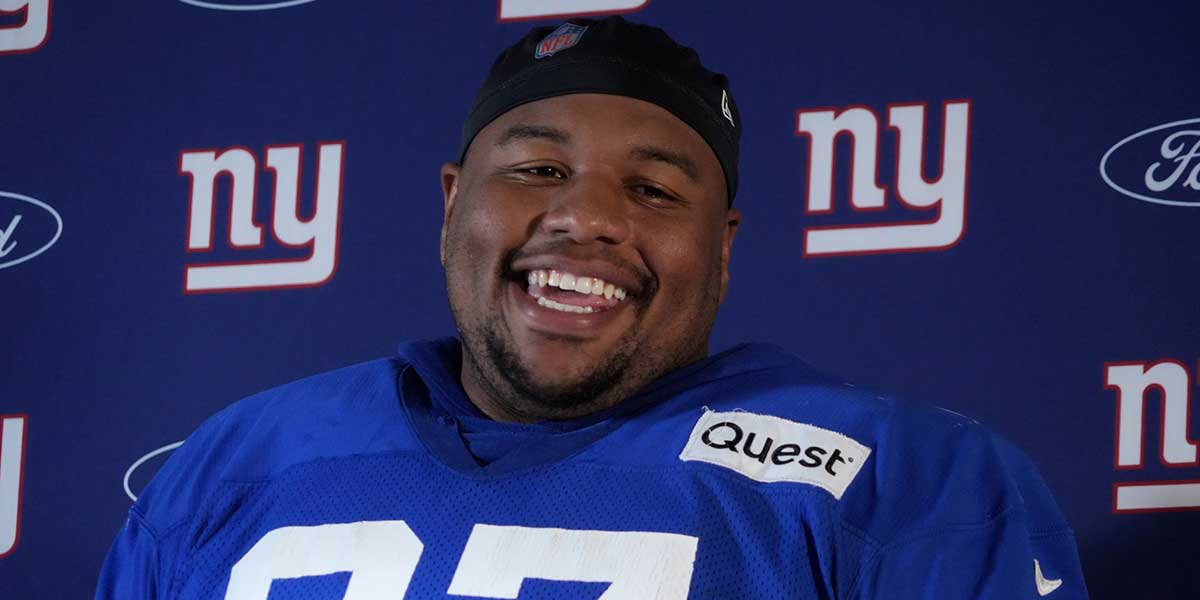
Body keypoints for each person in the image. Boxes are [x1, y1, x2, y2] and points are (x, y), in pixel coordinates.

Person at [96, 16, 1088, 599]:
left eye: (655, 191)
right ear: (452, 205)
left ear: (724, 246)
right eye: (536, 169)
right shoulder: (234, 466)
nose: (586, 218)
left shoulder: (913, 481)